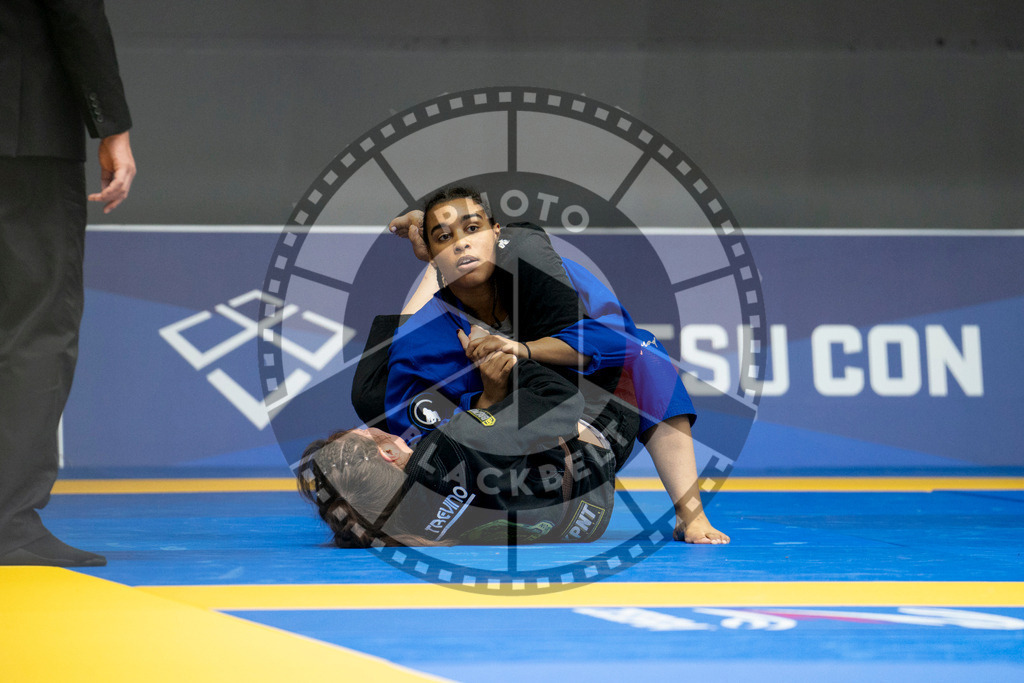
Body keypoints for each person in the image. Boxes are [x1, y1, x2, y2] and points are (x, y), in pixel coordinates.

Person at [356, 186, 727, 544]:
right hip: (490, 416)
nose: (462, 241)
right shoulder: (427, 346)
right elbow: (456, 445)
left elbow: (618, 342)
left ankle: (691, 515)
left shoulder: (545, 272)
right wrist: (491, 397)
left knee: (648, 352)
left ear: (496, 231)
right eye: (444, 237)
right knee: (379, 384)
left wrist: (523, 349)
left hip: (566, 384)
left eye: (473, 229)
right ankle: (428, 249)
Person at [0, 0, 136, 567]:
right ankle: (8, 523)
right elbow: (75, 13)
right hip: (20, 134)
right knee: (35, 325)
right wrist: (112, 127)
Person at [300, 353, 635, 547]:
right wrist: (509, 356)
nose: (360, 428)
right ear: (387, 455)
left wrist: (491, 404)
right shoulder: (453, 444)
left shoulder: (397, 526)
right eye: (356, 436)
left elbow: (485, 475)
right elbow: (561, 402)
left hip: (581, 524)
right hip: (602, 429)